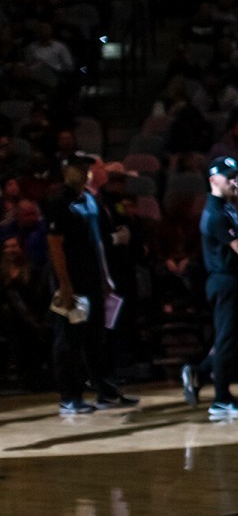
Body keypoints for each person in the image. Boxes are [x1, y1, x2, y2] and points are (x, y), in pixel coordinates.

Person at [43, 152, 134, 414]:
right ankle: (69, 396)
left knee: (95, 338)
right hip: (71, 281)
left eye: (85, 168)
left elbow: (98, 242)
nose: (83, 172)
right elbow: (55, 245)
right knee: (68, 339)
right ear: (65, 171)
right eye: (77, 168)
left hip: (92, 278)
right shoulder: (59, 202)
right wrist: (64, 284)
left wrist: (104, 277)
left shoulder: (89, 200)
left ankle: (105, 391)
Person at [180, 156, 238, 417]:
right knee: (227, 339)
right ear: (214, 180)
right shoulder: (216, 214)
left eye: (236, 177)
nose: (235, 181)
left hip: (232, 279)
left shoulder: (226, 208)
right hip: (225, 281)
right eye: (229, 177)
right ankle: (221, 399)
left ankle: (199, 373)